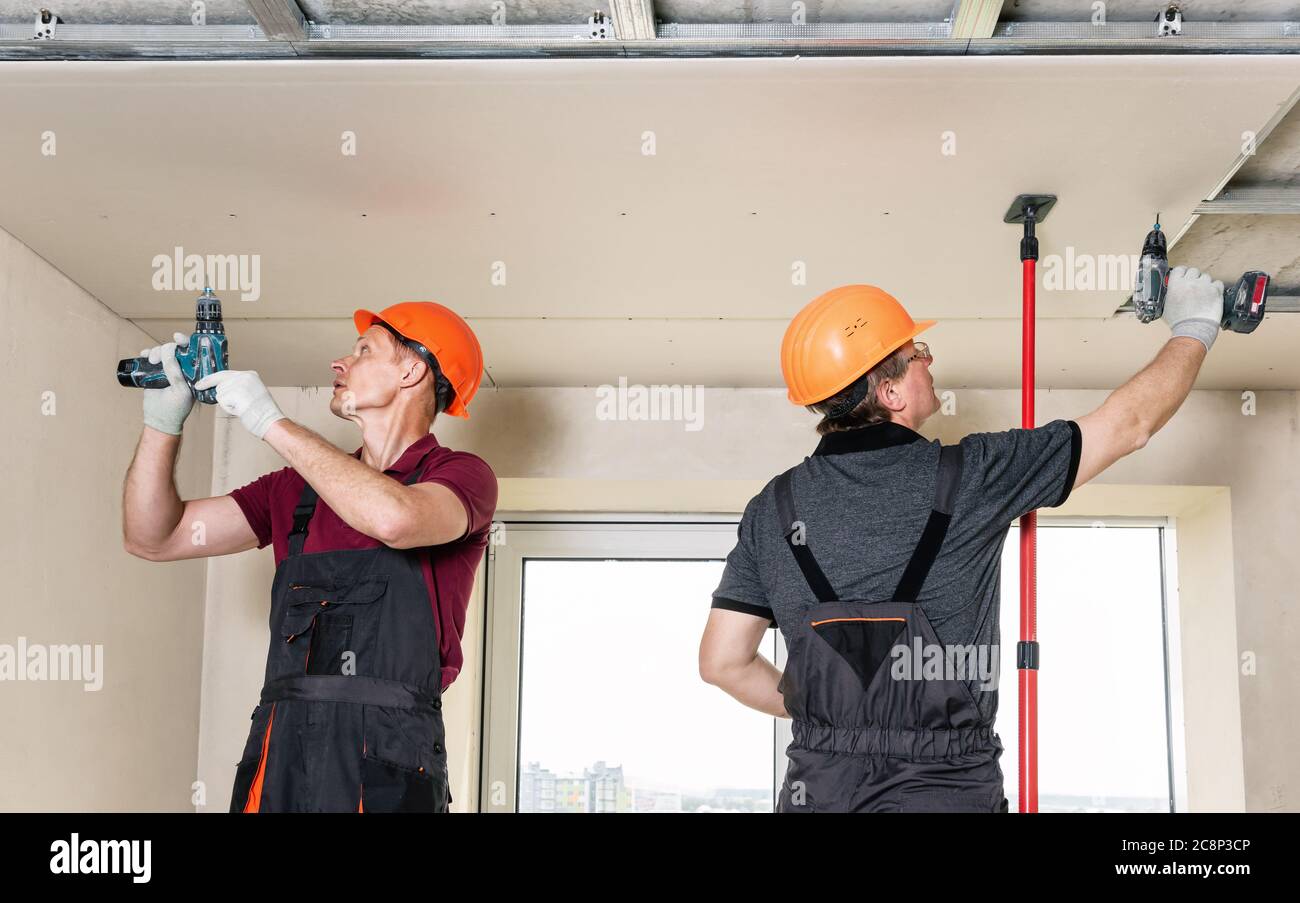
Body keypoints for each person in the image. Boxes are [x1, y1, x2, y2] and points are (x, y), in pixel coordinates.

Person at [698, 267, 1225, 812]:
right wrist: (1194, 326)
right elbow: (1127, 425)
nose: (928, 360)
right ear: (892, 390)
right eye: (916, 352)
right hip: (946, 789)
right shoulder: (974, 474)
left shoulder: (773, 507)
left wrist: (829, 714)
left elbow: (722, 662)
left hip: (820, 789)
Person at [122, 301, 497, 813]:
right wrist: (161, 423)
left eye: (364, 350)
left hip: (388, 756)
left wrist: (267, 420)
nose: (339, 363)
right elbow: (153, 537)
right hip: (279, 753)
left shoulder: (459, 476)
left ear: (412, 371)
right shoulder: (295, 489)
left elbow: (396, 520)